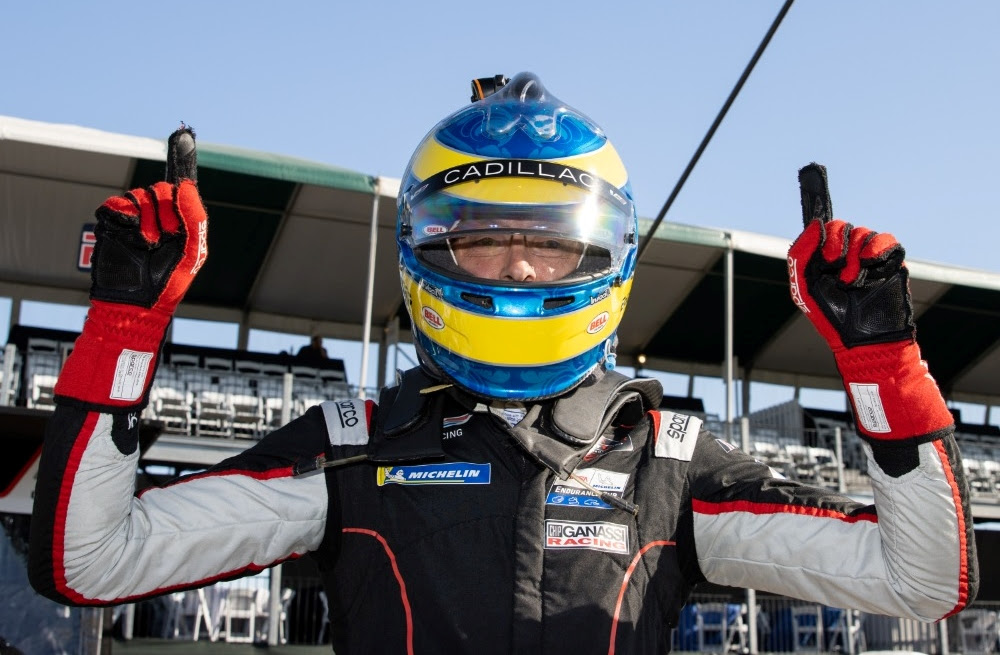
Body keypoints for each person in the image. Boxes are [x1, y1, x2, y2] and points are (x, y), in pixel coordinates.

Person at [28, 73, 977, 654]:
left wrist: (884, 360)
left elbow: (922, 583)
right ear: (426, 249)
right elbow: (88, 561)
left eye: (550, 240)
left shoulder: (670, 462)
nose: (520, 264)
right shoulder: (352, 451)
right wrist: (123, 327)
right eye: (483, 237)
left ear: (605, 257)